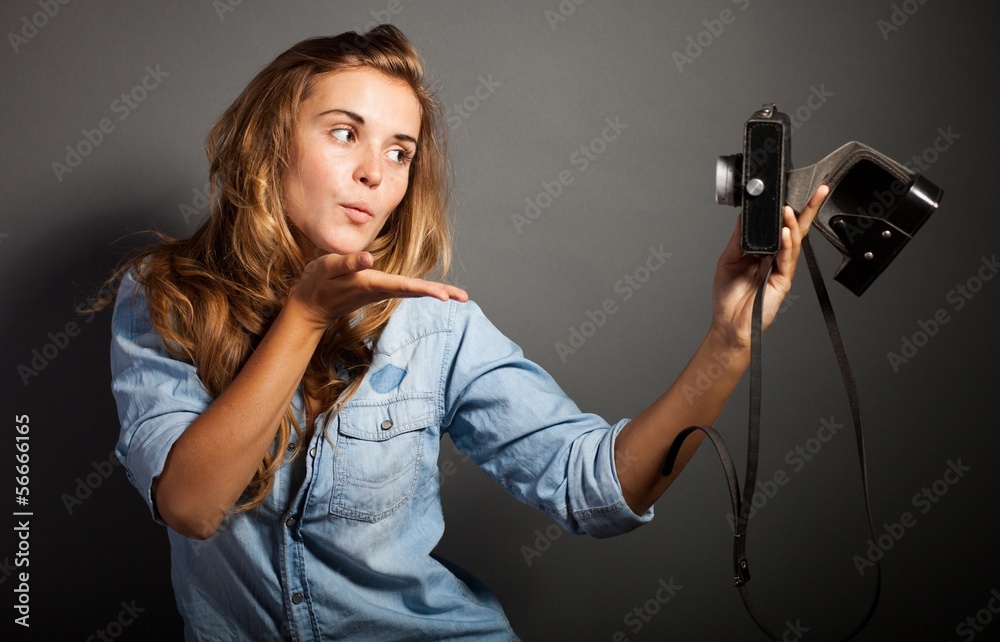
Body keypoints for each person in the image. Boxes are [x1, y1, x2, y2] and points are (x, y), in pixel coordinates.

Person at [105, 25, 827, 641]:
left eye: (399, 152)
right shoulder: (166, 295)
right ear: (269, 143)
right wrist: (304, 317)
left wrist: (729, 343)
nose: (372, 173)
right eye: (344, 132)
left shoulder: (435, 326)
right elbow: (191, 506)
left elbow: (595, 490)